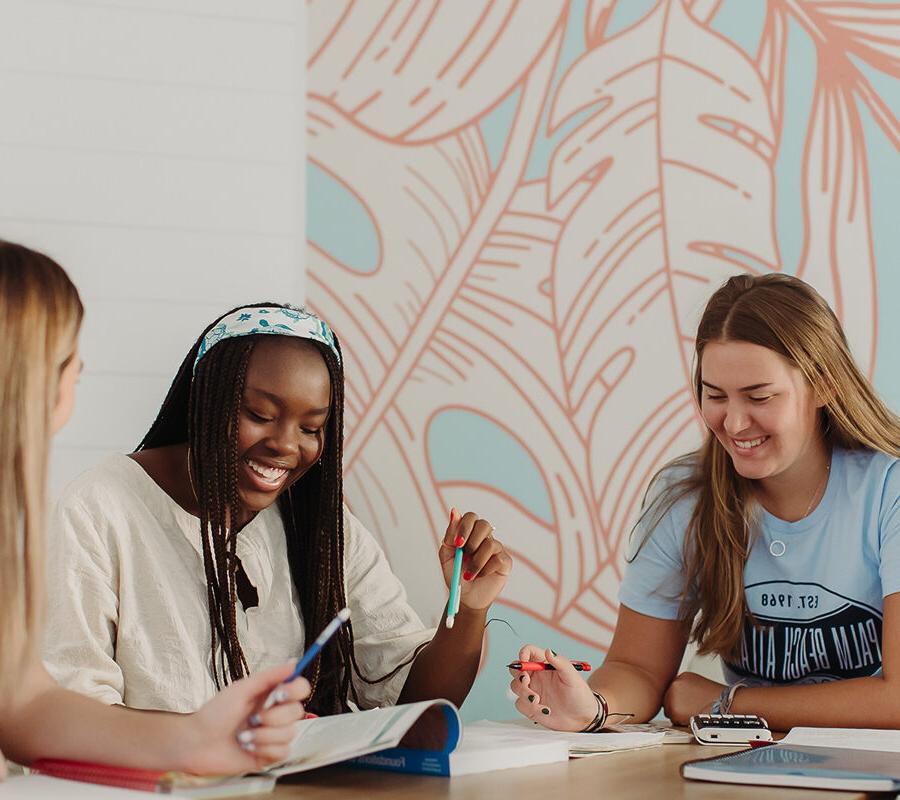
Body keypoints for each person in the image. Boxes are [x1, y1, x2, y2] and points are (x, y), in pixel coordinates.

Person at [44, 303, 512, 716]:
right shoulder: (101, 507)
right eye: (260, 415)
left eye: (311, 427)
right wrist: (225, 739)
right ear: (205, 402)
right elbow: (74, 712)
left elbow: (413, 702)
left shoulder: (318, 524)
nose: (286, 445)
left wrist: (468, 610)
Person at [510, 273, 900, 732]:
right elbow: (639, 669)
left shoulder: (888, 489)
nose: (734, 422)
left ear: (825, 384)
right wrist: (593, 707)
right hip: (745, 767)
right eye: (714, 395)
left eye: (759, 397)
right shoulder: (685, 496)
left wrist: (727, 703)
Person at [0, 242, 308, 779]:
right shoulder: (96, 503)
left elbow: (23, 707)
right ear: (33, 380)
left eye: (312, 426)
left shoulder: (13, 528)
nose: (81, 368)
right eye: (71, 356)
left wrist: (195, 737)